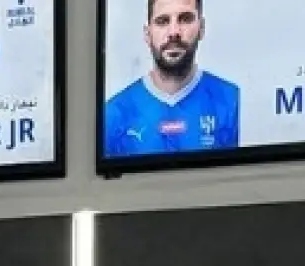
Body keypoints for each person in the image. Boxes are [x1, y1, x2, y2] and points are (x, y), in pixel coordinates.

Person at [102, 0, 239, 158]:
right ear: (147, 34)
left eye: (185, 19)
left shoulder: (232, 101)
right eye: (162, 21)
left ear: (201, 28)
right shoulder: (113, 114)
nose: (174, 32)